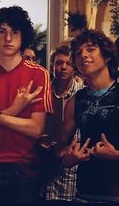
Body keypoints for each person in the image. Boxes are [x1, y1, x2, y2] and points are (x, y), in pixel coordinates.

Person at [0, 5, 53, 203]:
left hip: (24, 172)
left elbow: (36, 129)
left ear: (23, 37)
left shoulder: (39, 74)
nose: (8, 38)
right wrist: (15, 109)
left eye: (15, 32)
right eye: (2, 31)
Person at [59, 29, 119, 203]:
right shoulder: (74, 102)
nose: (83, 55)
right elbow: (61, 147)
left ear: (107, 56)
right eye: (78, 53)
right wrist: (67, 160)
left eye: (91, 49)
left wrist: (118, 155)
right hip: (85, 193)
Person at [40, 39, 84, 202]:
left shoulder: (82, 95)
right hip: (42, 168)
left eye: (68, 63)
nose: (63, 67)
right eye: (59, 63)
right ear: (52, 66)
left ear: (75, 67)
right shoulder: (42, 94)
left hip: (70, 174)